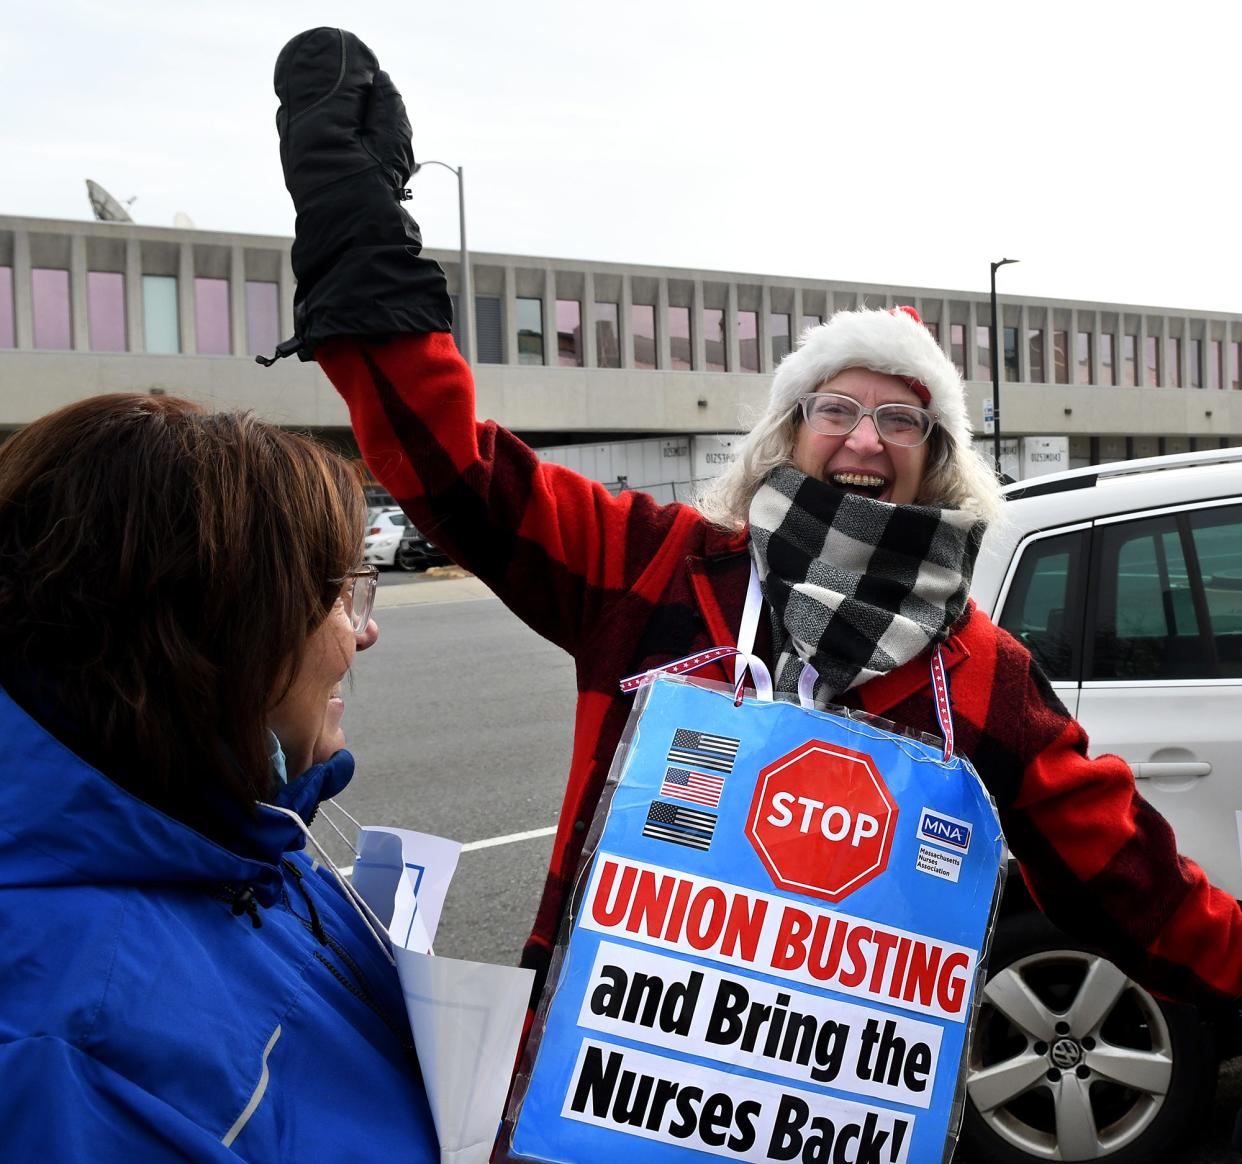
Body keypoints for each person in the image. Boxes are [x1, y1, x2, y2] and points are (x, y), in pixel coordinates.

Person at [268, 28, 1242, 1020]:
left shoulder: (980, 674)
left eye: (901, 418)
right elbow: (455, 470)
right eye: (837, 410)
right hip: (592, 1094)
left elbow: (1140, 894)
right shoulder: (654, 566)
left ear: (936, 458)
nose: (865, 441)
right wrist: (358, 229)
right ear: (790, 434)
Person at [0, 394, 439, 1161]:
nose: (363, 629)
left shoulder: (223, 830)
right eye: (335, 597)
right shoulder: (68, 1049)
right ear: (215, 639)